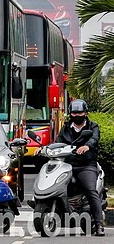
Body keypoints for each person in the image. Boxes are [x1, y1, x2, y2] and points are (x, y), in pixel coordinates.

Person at [49, 99, 104, 236]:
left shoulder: (93, 126)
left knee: (91, 191)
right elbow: (57, 142)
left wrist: (87, 146)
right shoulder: (66, 128)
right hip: (67, 165)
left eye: (80, 112)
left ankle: (99, 225)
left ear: (85, 113)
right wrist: (45, 149)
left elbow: (94, 139)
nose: (77, 115)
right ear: (70, 114)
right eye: (74, 113)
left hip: (86, 165)